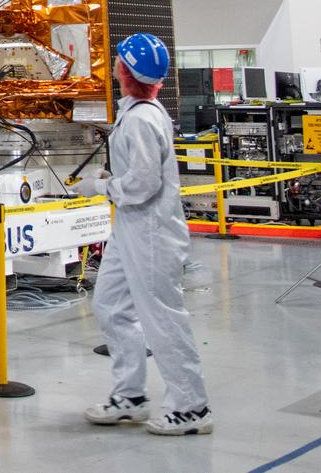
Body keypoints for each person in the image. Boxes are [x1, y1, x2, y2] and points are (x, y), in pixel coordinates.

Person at [84, 32, 214, 436]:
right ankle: (131, 397)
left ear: (123, 71)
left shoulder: (142, 118)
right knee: (110, 305)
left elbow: (142, 185)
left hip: (152, 231)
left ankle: (192, 408)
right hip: (130, 229)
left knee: (162, 318)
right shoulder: (139, 111)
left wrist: (102, 186)